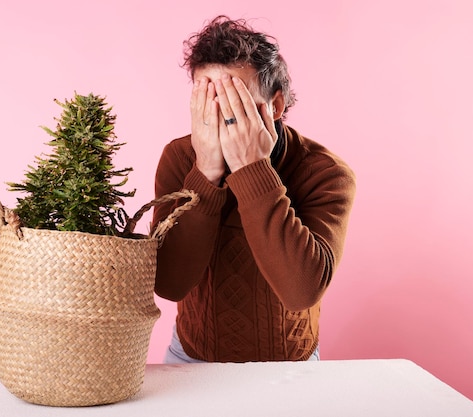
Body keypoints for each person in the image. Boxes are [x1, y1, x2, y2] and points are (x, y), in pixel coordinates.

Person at [152, 15, 356, 363]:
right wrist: (204, 172)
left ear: (275, 106)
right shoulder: (180, 157)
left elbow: (301, 291)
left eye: (236, 105)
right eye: (209, 102)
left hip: (292, 365)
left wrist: (251, 170)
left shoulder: (325, 172)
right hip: (192, 358)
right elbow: (169, 284)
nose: (220, 118)